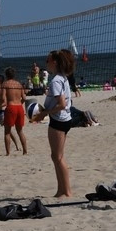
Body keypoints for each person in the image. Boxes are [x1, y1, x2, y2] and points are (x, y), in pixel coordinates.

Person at [30, 49, 74, 198]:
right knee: (56, 157)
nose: (46, 63)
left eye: (47, 60)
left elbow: (61, 104)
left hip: (59, 120)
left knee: (58, 157)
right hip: (64, 119)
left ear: (54, 62)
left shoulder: (56, 80)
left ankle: (67, 191)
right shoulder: (62, 77)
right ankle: (61, 190)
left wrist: (44, 113)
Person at [1, 67, 28, 156]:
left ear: (6, 75)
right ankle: (25, 151)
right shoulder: (19, 84)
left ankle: (8, 153)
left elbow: (3, 98)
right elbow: (24, 98)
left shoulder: (5, 84)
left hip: (11, 107)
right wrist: (20, 103)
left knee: (7, 132)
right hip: (19, 107)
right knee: (20, 131)